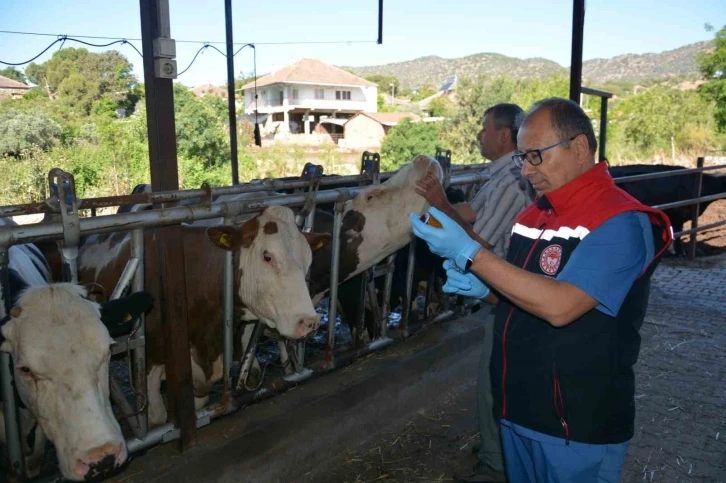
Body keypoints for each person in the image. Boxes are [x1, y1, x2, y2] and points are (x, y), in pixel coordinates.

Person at [410, 97, 673, 482]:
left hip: (574, 425)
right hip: (520, 409)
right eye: (521, 158)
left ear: (579, 147)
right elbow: (520, 290)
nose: (527, 171)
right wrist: (484, 291)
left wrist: (471, 254)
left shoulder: (620, 222)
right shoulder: (535, 215)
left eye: (535, 156)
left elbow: (561, 305)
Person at [415, 103, 534, 483]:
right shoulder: (499, 176)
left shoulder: (513, 179)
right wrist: (438, 203)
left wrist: (439, 207)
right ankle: (494, 451)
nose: (479, 136)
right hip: (502, 287)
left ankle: (497, 464)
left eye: (484, 130)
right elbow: (471, 212)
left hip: (505, 289)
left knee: (492, 379)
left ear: (502, 135)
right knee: (494, 375)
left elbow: (480, 240)